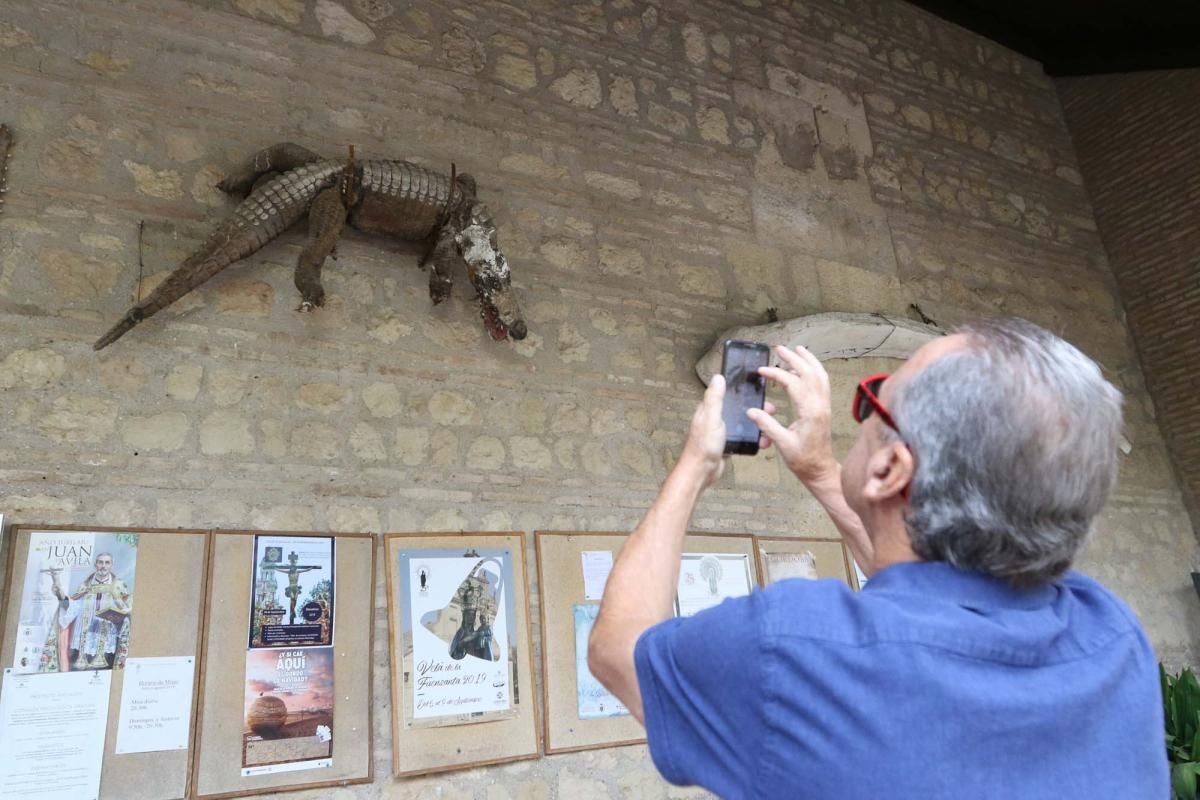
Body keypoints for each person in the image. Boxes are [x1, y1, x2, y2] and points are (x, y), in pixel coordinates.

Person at [588, 317, 1168, 799]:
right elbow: (913, 594)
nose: (860, 414)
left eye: (872, 401)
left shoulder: (791, 650)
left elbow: (618, 652)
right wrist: (820, 470)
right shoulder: (1113, 636)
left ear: (892, 470)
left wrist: (694, 466)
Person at [51, 551, 132, 670]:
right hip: (85, 639)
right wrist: (59, 593)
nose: (103, 566)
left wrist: (121, 616)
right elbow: (73, 607)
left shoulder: (119, 585)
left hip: (108, 638)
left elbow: (127, 609)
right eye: (100, 562)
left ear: (111, 565)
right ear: (95, 564)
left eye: (107, 563)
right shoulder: (85, 585)